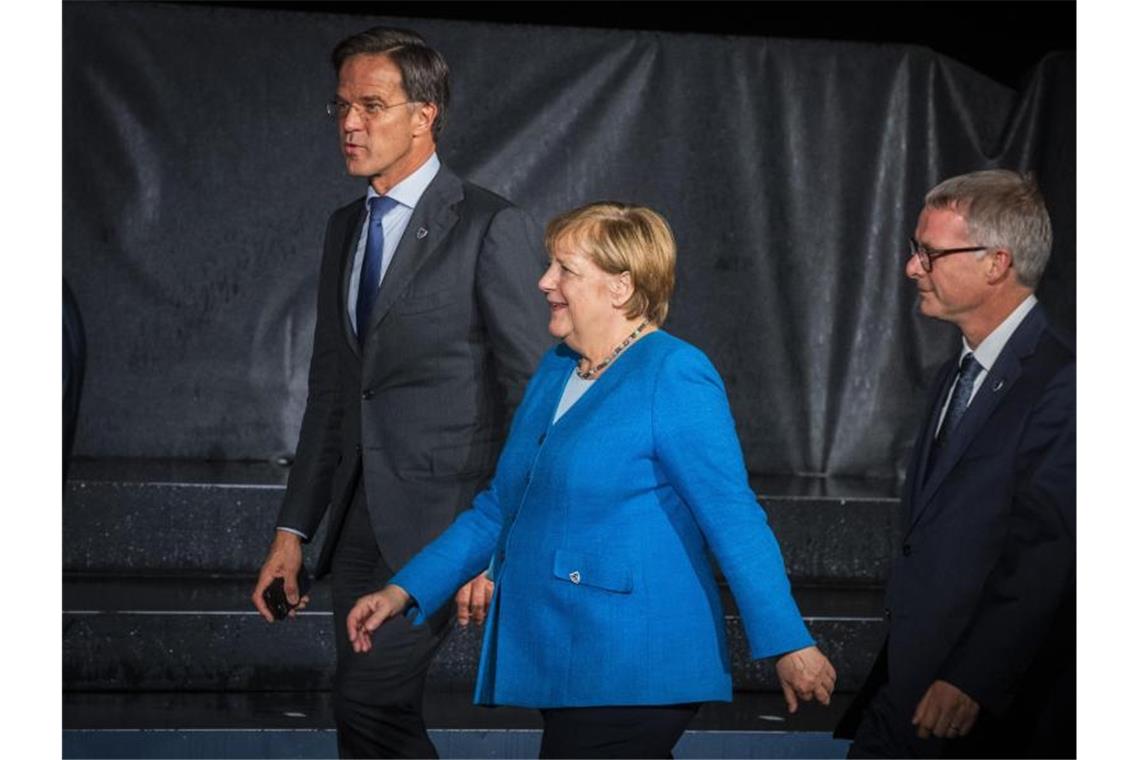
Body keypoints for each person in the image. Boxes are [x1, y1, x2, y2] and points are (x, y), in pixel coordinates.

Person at [345, 201, 837, 759]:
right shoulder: (558, 367)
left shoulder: (673, 373)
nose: (544, 282)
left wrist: (788, 641)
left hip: (633, 663)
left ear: (621, 288)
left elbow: (733, 517)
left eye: (565, 270)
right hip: (569, 655)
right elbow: (501, 506)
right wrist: (402, 589)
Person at [249, 26, 551, 758]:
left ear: (425, 114)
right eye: (342, 107)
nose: (350, 124)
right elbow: (333, 390)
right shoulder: (343, 229)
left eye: (372, 106)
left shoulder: (489, 226)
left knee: (371, 705)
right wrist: (293, 533)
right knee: (362, 717)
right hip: (356, 526)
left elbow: (533, 395)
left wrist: (496, 543)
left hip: (448, 523)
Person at [835, 170, 1075, 758]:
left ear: (997, 263)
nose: (912, 268)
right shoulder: (957, 371)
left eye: (929, 253)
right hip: (908, 691)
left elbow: (1047, 551)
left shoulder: (1063, 381)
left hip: (981, 710)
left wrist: (973, 676)